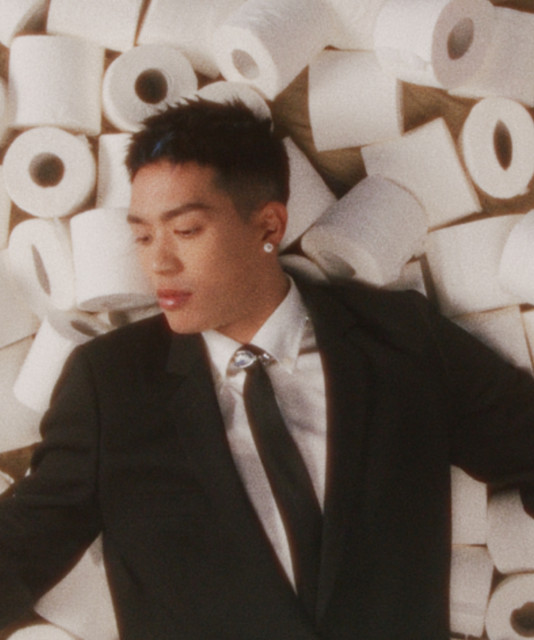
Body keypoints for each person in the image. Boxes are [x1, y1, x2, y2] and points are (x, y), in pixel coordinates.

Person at [1, 98, 534, 640]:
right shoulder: (111, 384)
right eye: (142, 235)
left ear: (269, 225)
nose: (159, 262)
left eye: (185, 230)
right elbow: (21, 546)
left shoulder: (400, 341)